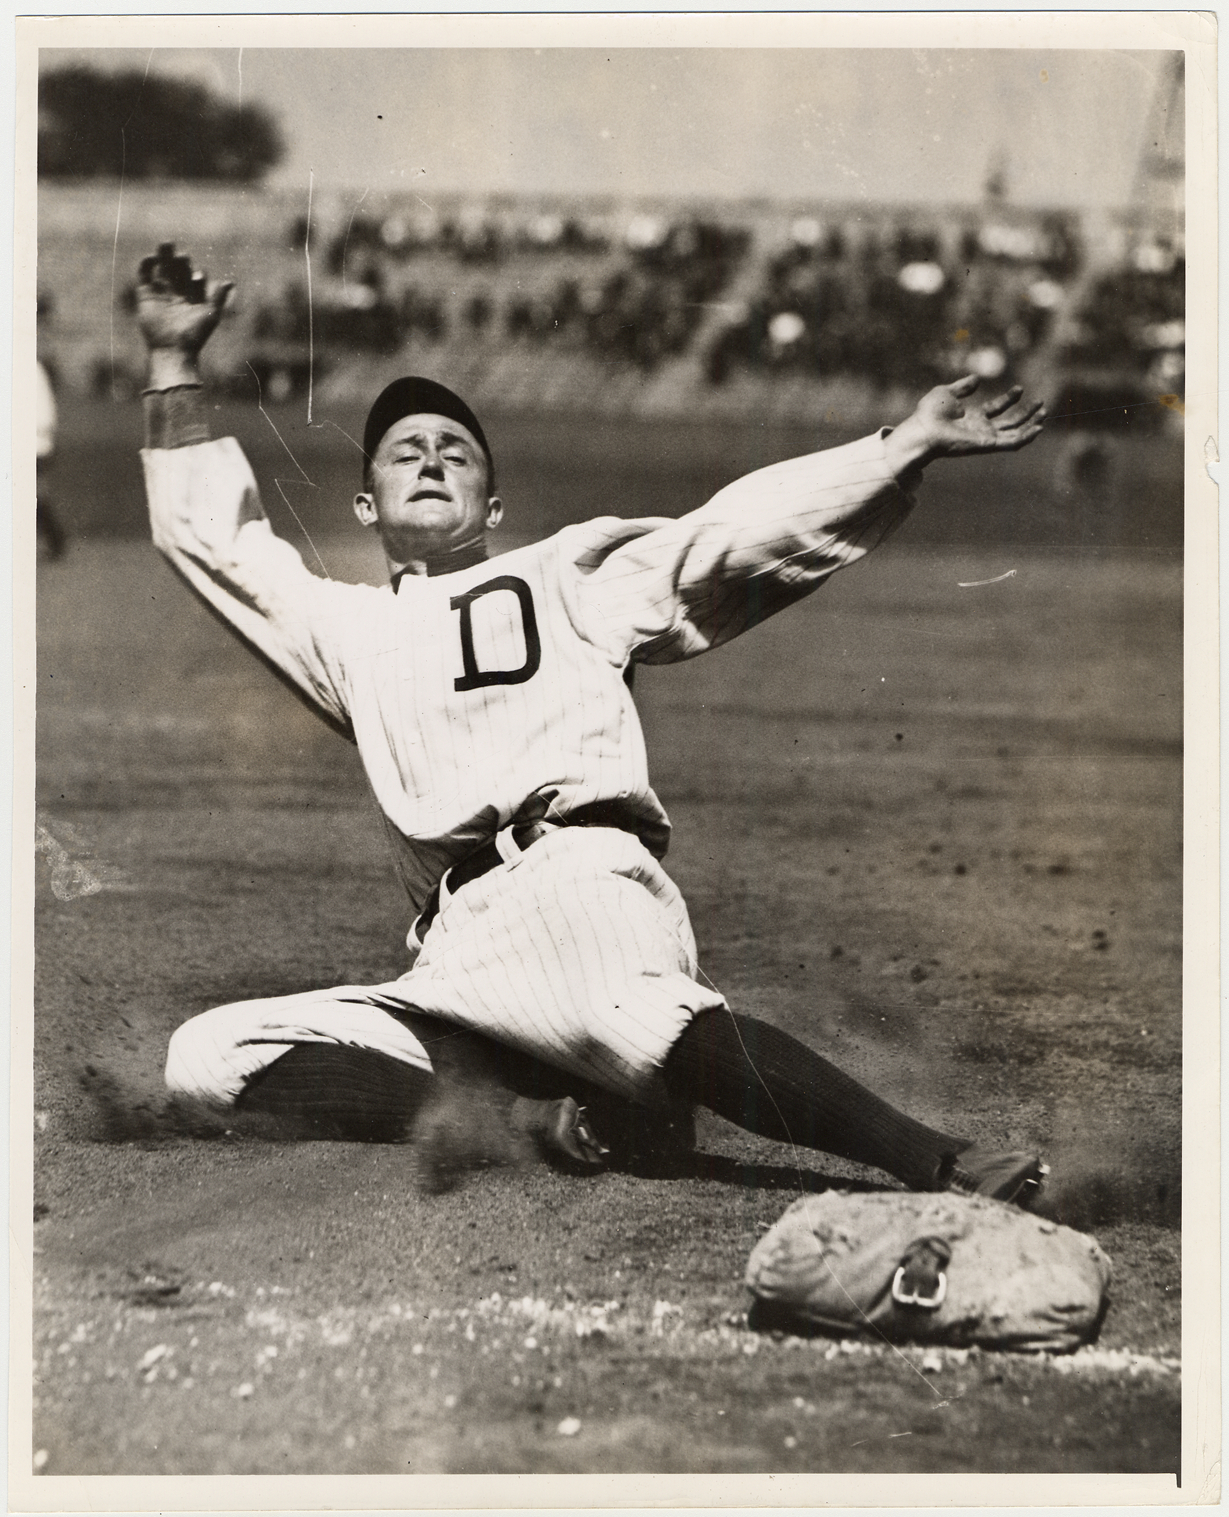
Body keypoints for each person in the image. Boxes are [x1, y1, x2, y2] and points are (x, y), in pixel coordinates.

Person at [135, 243, 1049, 1205]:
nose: (432, 456)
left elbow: (722, 537)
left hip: (579, 886)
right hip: (454, 949)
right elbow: (221, 549)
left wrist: (897, 444)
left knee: (631, 1019)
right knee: (209, 1053)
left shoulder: (563, 573)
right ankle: (524, 1114)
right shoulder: (349, 629)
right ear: (366, 505)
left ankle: (938, 1159)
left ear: (495, 504)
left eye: (456, 450)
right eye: (405, 451)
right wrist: (171, 361)